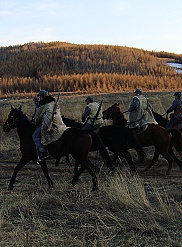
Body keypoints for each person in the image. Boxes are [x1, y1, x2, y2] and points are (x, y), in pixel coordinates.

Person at [32, 90, 67, 161]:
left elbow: (36, 119)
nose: (40, 99)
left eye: (40, 97)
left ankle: (42, 152)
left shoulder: (43, 106)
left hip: (49, 126)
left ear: (42, 97)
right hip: (60, 125)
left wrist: (34, 121)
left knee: (35, 136)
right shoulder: (54, 103)